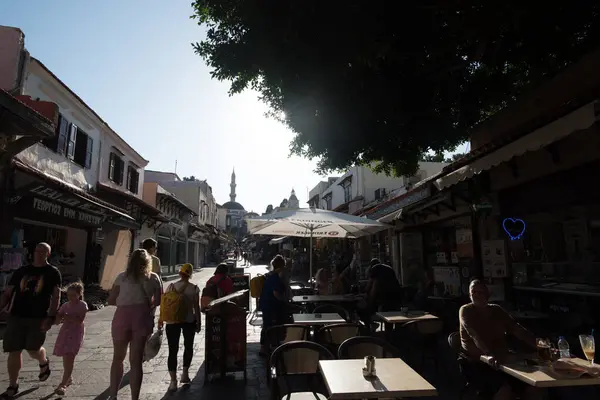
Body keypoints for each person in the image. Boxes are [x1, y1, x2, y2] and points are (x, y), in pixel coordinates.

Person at [0, 242, 62, 398]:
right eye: (37, 250)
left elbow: (56, 296)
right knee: (14, 351)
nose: (39, 253)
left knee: (33, 349)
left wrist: (51, 317)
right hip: (17, 315)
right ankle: (13, 386)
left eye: (43, 251)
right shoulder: (22, 271)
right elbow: (8, 293)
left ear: (48, 254)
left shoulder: (52, 272)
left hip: (38, 317)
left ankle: (43, 361)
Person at [460, 280, 539, 400]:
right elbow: (474, 335)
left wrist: (539, 345)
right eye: (473, 292)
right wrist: (488, 354)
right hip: (477, 362)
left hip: (502, 360)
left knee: (533, 386)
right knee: (504, 390)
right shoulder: (466, 310)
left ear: (487, 294)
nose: (475, 295)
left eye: (479, 292)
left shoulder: (496, 310)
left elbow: (516, 329)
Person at [107, 249, 162, 400]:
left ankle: (113, 395)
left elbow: (111, 300)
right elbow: (157, 301)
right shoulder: (154, 278)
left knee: (117, 358)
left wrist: (125, 300)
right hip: (142, 318)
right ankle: (134, 398)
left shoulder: (122, 277)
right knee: (136, 361)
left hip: (122, 318)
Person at [158, 264, 201, 391]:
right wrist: (198, 322)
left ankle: (173, 381)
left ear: (180, 273)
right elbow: (196, 308)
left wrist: (160, 319)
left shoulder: (171, 286)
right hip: (189, 321)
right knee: (188, 347)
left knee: (172, 350)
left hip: (172, 321)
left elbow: (164, 304)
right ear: (190, 274)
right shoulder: (194, 288)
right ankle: (185, 374)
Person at [53, 281, 88, 396]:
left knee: (70, 356)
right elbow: (58, 321)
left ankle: (63, 384)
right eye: (69, 295)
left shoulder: (82, 305)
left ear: (79, 294)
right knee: (65, 357)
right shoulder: (65, 305)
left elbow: (79, 320)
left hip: (76, 333)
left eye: (73, 295)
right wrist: (57, 316)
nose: (71, 298)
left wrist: (66, 316)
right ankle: (68, 378)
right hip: (65, 332)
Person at [259, 255, 288, 356]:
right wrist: (284, 300)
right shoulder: (276, 277)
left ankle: (265, 347)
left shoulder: (269, 275)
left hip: (266, 304)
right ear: (282, 266)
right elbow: (276, 293)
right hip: (271, 306)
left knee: (266, 325)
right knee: (270, 326)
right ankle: (270, 346)